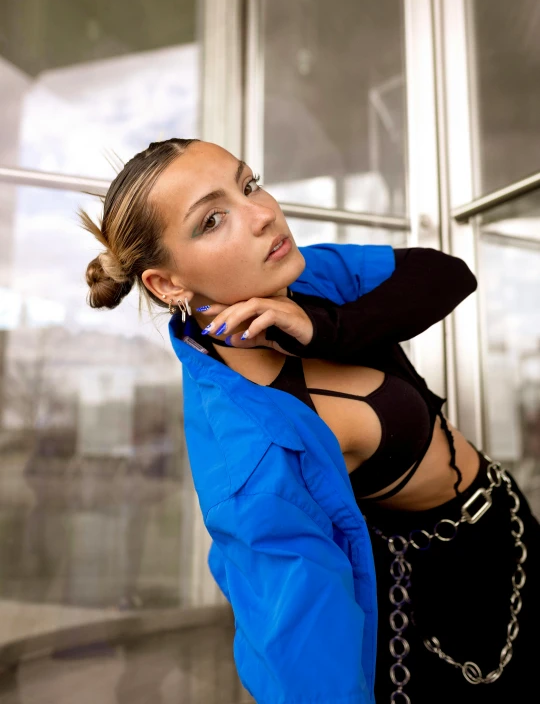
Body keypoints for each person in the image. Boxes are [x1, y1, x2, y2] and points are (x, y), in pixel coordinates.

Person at [81, 138, 539, 704]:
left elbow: (445, 274)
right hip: (437, 604)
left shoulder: (301, 280)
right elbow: (301, 656)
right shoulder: (254, 453)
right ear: (168, 284)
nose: (263, 212)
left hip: (510, 529)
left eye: (249, 184)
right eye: (213, 219)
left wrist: (326, 327)